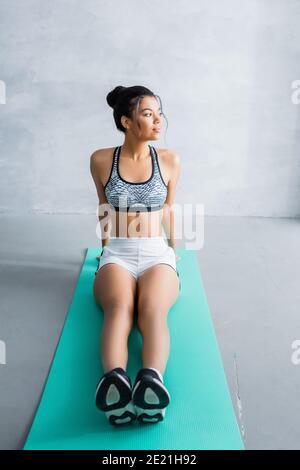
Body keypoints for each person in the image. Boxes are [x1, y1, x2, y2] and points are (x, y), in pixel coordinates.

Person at [90, 85, 181, 425]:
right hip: (119, 255)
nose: (158, 121)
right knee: (119, 309)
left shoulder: (169, 159)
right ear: (126, 121)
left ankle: (150, 381)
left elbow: (169, 209)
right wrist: (104, 252)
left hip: (157, 254)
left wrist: (173, 252)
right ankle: (114, 381)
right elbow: (103, 208)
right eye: (148, 114)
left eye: (159, 113)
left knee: (152, 310)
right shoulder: (101, 159)